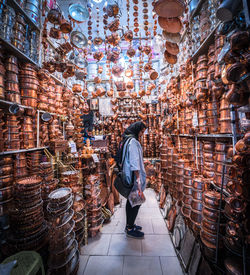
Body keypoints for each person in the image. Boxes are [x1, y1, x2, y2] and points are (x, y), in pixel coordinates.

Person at [120, 121, 147, 239]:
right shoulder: (133, 142)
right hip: (134, 177)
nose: (142, 134)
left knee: (131, 201)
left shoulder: (128, 139)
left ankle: (129, 225)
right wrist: (138, 180)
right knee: (135, 202)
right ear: (137, 130)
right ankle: (130, 228)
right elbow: (134, 162)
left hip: (130, 174)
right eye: (141, 131)